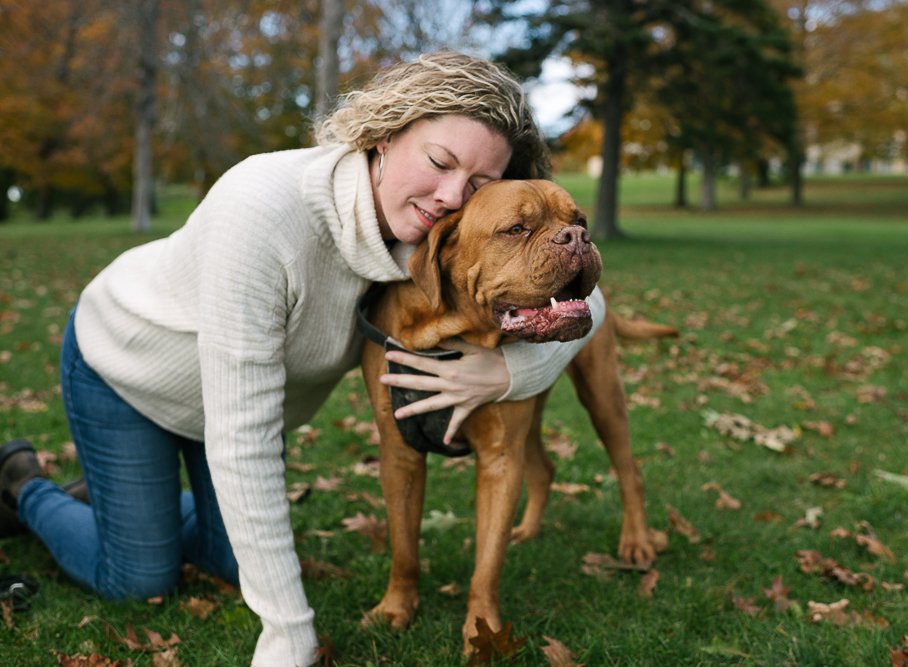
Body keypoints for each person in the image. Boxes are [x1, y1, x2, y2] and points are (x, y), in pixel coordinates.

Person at [0, 51, 606, 665]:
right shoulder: (262, 210)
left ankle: (126, 499)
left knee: (231, 561)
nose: (451, 196)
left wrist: (507, 372)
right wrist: (287, 633)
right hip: (126, 365)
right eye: (438, 162)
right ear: (385, 135)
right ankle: (26, 488)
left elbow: (590, 304)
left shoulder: (429, 239)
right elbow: (243, 436)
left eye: (478, 186)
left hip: (228, 408)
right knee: (140, 577)